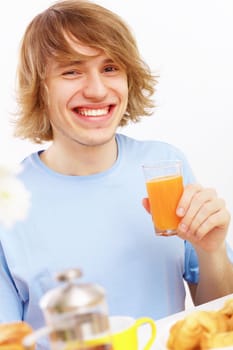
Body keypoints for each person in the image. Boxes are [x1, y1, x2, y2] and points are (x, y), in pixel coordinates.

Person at [0, 0, 233, 344]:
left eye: (110, 68)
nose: (97, 90)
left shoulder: (165, 165)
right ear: (40, 88)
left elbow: (219, 317)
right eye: (71, 70)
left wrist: (210, 250)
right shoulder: (10, 201)